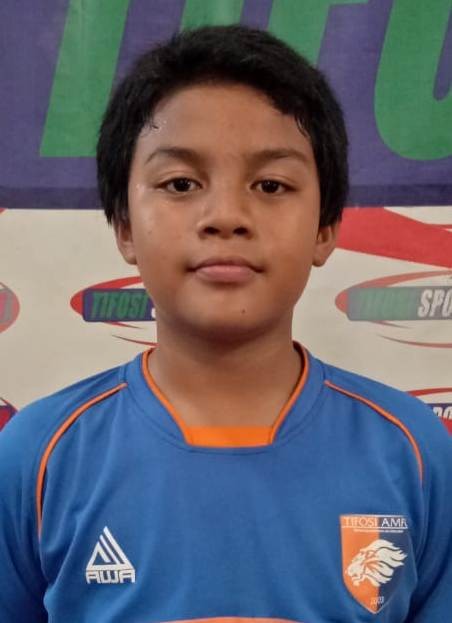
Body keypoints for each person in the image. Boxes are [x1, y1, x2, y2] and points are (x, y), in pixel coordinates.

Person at [0, 25, 450, 623]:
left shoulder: (413, 452)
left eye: (271, 185)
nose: (226, 216)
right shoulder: (38, 458)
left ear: (325, 227)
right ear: (125, 226)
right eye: (181, 184)